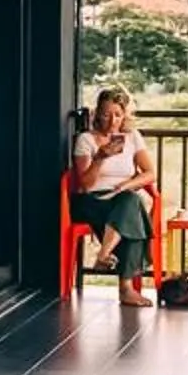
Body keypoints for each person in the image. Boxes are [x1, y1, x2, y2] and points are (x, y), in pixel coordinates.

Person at [71, 87, 157, 308]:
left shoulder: (132, 137)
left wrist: (127, 185)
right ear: (98, 113)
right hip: (92, 200)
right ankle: (126, 289)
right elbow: (85, 184)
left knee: (130, 203)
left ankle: (103, 254)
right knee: (132, 209)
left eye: (117, 115)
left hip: (121, 197)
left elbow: (150, 173)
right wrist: (99, 158)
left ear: (124, 115)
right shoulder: (86, 140)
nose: (112, 121)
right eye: (106, 114)